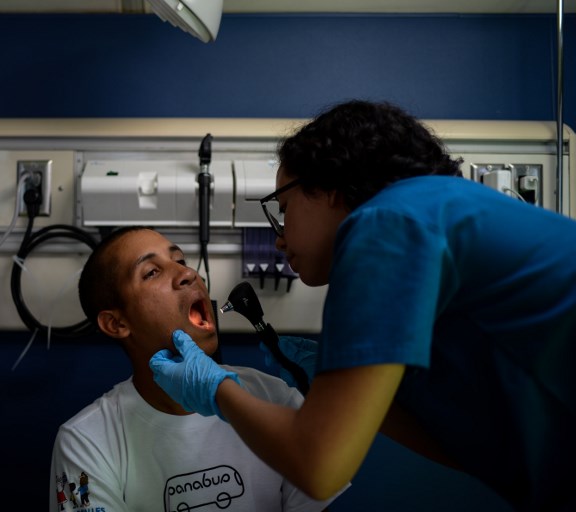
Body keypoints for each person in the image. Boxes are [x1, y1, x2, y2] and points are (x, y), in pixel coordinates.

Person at [150, 100, 576, 512]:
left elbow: (318, 467)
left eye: (284, 209)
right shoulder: (437, 215)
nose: (279, 238)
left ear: (330, 184)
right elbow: (483, 452)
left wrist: (214, 389)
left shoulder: (386, 225)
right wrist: (370, 398)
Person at [49, 226, 348, 511]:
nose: (188, 274)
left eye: (180, 260)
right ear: (117, 324)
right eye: (152, 272)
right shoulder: (85, 441)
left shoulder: (278, 399)